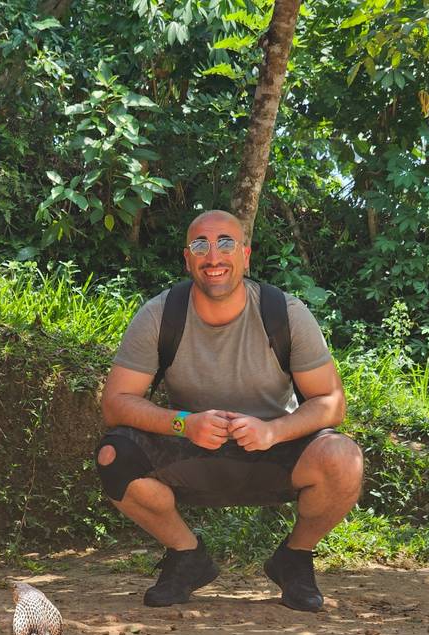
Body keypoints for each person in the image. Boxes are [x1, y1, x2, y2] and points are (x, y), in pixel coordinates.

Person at [95, 209, 363, 611]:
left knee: (344, 458)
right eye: (200, 245)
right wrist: (184, 423)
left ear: (246, 254)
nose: (213, 256)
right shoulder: (159, 314)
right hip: (193, 449)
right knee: (114, 455)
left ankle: (295, 558)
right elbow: (115, 403)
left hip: (274, 451)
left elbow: (332, 402)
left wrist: (273, 431)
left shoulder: (284, 313)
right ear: (188, 259)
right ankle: (187, 557)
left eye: (226, 244)